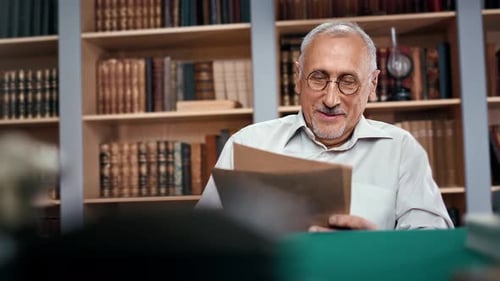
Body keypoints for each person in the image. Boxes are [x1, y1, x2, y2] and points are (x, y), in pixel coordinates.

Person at [196, 21, 453, 231]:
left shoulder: (402, 151)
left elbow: (432, 251)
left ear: (373, 85)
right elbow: (202, 242)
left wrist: (375, 248)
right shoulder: (246, 145)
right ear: (298, 79)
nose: (331, 100)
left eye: (348, 81)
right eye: (318, 78)